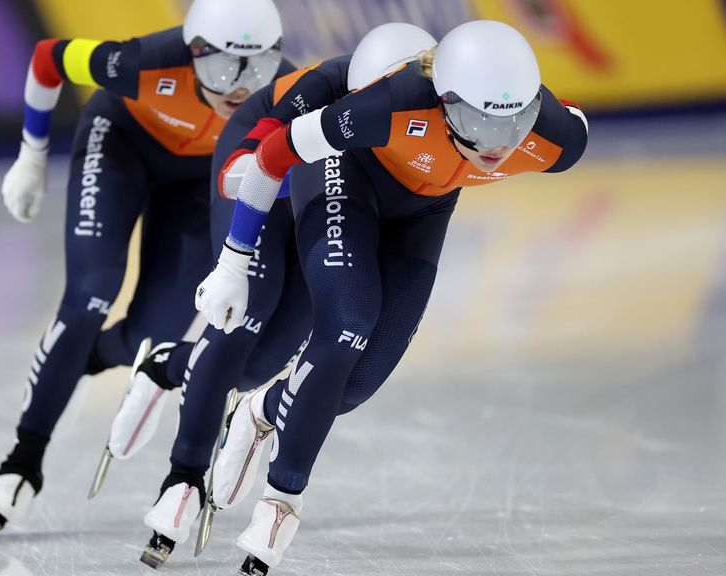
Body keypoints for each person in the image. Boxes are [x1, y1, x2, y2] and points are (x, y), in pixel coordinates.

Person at [196, 20, 589, 574]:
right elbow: (273, 157)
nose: (498, 147)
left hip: (425, 211)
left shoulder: (553, 140)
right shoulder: (388, 105)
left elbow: (570, 117)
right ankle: (281, 503)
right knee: (347, 325)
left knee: (354, 385)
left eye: (514, 123)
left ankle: (263, 408)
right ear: (443, 101)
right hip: (345, 172)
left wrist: (519, 117)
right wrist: (234, 261)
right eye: (477, 123)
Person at [96, 22, 441, 568]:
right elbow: (255, 169)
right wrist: (234, 259)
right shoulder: (327, 93)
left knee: (264, 365)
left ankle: (170, 365)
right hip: (268, 165)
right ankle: (182, 476)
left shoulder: (448, 112)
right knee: (246, 313)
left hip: (331, 172)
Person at [0, 0, 292, 544]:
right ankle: (22, 460)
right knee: (91, 292)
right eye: (221, 68)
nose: (239, 87)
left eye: (257, 68)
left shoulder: (287, 90)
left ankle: (90, 356)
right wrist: (31, 154)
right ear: (191, 55)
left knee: (154, 335)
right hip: (121, 147)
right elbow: (49, 58)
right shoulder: (141, 61)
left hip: (197, 179)